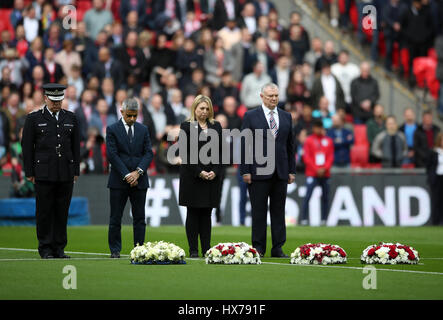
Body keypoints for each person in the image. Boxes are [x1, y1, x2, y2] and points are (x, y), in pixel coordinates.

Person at [21, 83, 80, 259]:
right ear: (45, 98)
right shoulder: (33, 119)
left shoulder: (71, 118)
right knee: (44, 211)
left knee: (62, 211)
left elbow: (75, 146)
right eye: (53, 100)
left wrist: (75, 169)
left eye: (59, 100)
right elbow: (27, 147)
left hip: (65, 172)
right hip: (44, 172)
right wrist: (29, 171)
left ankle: (59, 248)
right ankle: (45, 248)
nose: (56, 103)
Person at [240, 83, 296, 257]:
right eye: (270, 95)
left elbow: (290, 145)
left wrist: (291, 170)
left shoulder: (287, 116)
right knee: (258, 211)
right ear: (262, 96)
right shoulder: (250, 116)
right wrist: (245, 170)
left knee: (279, 211)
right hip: (258, 171)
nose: (274, 98)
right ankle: (258, 247)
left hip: (280, 171)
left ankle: (278, 247)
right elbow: (244, 145)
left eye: (276, 95)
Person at [106, 98, 154, 258]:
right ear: (122, 112)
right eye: (129, 116)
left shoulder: (143, 129)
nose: (132, 119)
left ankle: (139, 249)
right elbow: (112, 154)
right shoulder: (112, 129)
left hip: (139, 180)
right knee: (115, 217)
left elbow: (148, 153)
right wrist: (127, 174)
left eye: (135, 116)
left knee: (140, 217)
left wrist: (138, 172)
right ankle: (115, 250)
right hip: (118, 180)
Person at [178, 95, 223, 258]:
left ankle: (206, 249)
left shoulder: (216, 126)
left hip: (211, 177)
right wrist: (199, 172)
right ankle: (193, 250)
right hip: (192, 177)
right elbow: (184, 154)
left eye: (206, 108)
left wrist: (215, 172)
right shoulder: (186, 126)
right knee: (193, 213)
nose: (204, 111)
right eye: (201, 108)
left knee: (207, 214)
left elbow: (221, 153)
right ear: (194, 109)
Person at [300, 119, 334, 226]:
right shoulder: (309, 140)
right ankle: (304, 219)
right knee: (307, 196)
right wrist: (316, 169)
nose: (318, 130)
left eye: (320, 127)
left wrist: (325, 168)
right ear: (314, 128)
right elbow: (306, 157)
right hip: (312, 173)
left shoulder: (328, 141)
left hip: (325, 173)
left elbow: (331, 157)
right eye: (317, 127)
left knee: (325, 197)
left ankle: (324, 220)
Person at [426, 133, 443, 225]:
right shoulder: (434, 152)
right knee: (436, 200)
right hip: (437, 179)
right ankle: (436, 221)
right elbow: (429, 166)